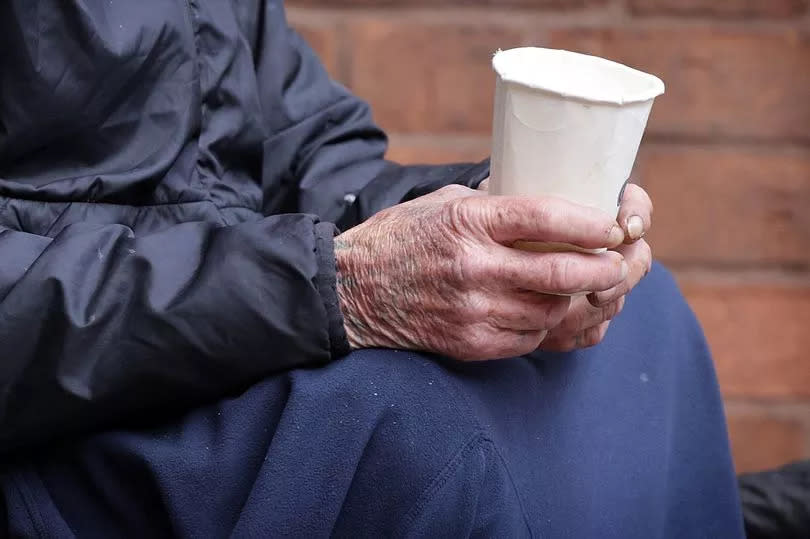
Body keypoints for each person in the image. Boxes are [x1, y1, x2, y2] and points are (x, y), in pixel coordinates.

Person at [0, 0, 744, 536]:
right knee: (426, 437)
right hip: (73, 405)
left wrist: (499, 225)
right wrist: (336, 283)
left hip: (230, 330)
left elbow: (313, 155)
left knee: (641, 323)